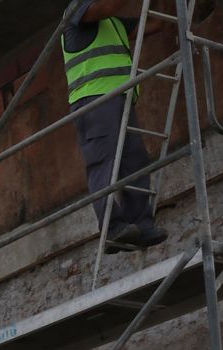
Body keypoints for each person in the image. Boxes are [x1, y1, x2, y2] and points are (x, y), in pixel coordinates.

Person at [63, 0, 168, 249]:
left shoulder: (112, 24)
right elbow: (107, 6)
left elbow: (155, 24)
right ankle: (112, 228)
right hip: (94, 102)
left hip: (120, 99)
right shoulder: (76, 11)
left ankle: (141, 224)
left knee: (135, 161)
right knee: (104, 162)